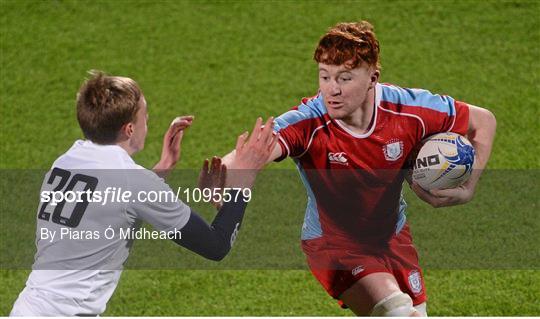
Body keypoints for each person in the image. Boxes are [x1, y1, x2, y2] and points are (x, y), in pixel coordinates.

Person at [223, 21, 496, 316]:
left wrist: (468, 187)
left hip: (393, 235)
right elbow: (255, 151)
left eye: (345, 78)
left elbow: (484, 122)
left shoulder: (409, 110)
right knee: (397, 310)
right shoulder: (309, 123)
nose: (332, 90)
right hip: (334, 246)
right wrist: (225, 175)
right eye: (325, 77)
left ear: (373, 78)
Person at [10, 71, 278, 316]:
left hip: (28, 307)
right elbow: (216, 245)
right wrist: (245, 177)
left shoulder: (65, 162)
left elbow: (108, 205)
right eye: (145, 118)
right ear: (129, 129)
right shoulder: (133, 182)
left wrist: (160, 170)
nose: (147, 125)